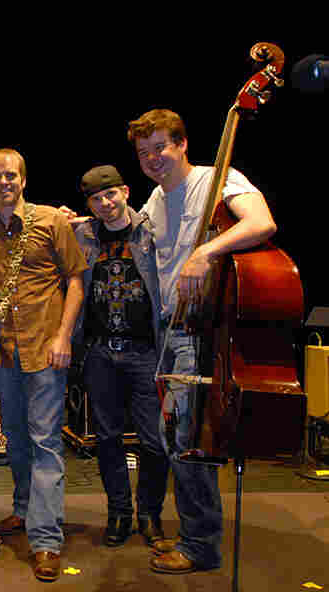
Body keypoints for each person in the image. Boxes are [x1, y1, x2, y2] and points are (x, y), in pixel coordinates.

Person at [128, 108, 277, 574]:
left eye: (161, 147)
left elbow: (262, 222)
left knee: (186, 438)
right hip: (169, 328)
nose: (153, 158)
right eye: (144, 152)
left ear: (183, 144)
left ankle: (200, 545)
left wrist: (206, 252)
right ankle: (196, 534)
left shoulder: (217, 178)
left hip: (200, 329)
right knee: (176, 437)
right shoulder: (155, 199)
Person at [0, 148, 87, 582]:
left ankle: (46, 539)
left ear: (23, 179)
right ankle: (23, 508)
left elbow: (76, 279)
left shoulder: (52, 221)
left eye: (11, 175)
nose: (5, 182)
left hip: (46, 349)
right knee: (16, 439)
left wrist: (63, 336)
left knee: (45, 443)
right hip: (5, 352)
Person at [71, 165, 169, 549]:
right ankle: (119, 512)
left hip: (145, 353)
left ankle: (150, 514)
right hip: (100, 353)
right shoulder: (83, 234)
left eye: (110, 194)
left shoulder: (151, 231)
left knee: (154, 441)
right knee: (107, 438)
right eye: (96, 199)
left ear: (126, 191)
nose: (105, 204)